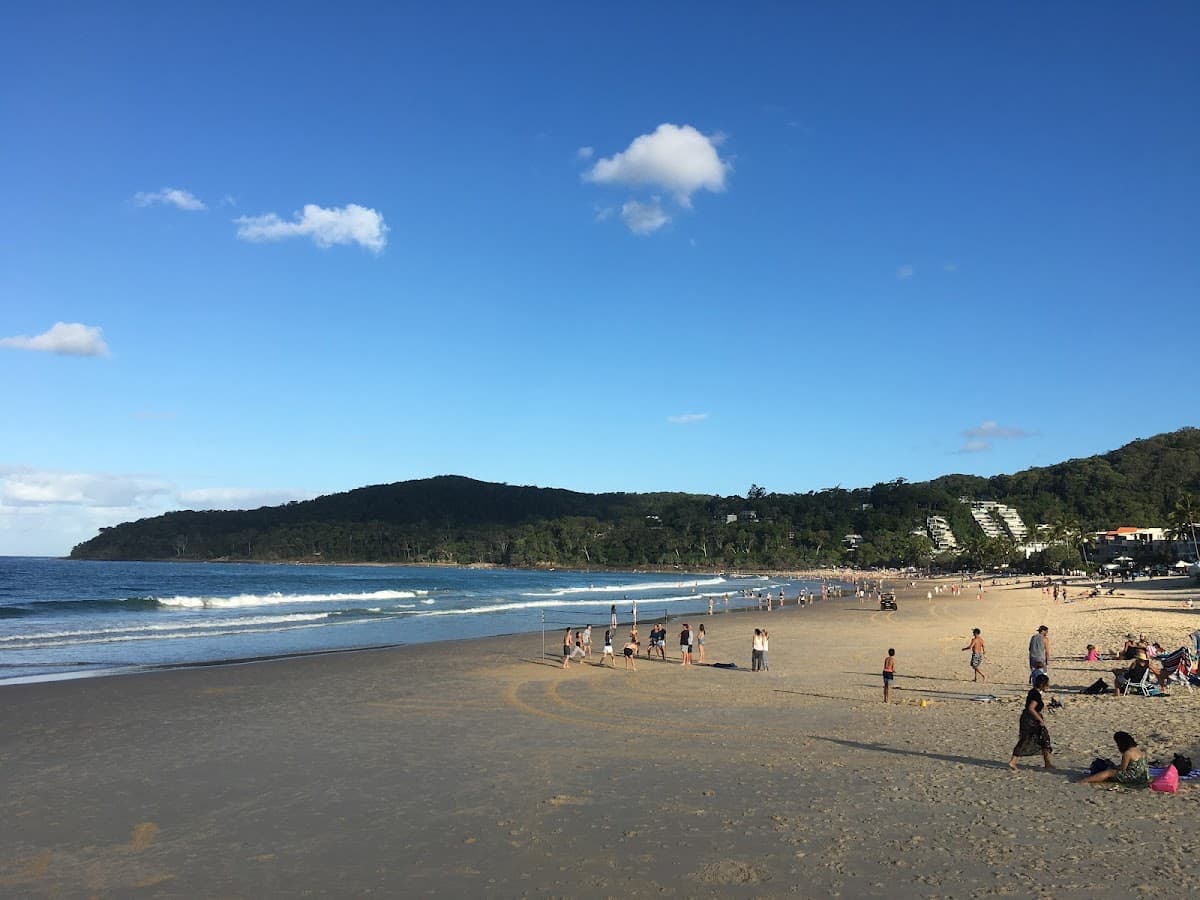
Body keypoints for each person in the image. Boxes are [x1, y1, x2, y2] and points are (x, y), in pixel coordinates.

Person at [1008, 673, 1053, 770]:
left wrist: (1048, 706)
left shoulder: (1033, 692)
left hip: (1026, 718)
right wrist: (1040, 720)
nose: (1048, 687)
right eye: (1047, 685)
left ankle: (1013, 761)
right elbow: (1031, 708)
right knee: (1044, 739)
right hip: (1031, 720)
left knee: (1026, 739)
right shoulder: (1036, 694)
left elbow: (1035, 706)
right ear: (1042, 685)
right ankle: (1047, 763)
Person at [1080, 732, 1150, 787]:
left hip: (1134, 778)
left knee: (1109, 772)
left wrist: (1113, 767)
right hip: (1143, 777)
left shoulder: (1127, 753)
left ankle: (1084, 780)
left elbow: (1123, 768)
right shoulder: (1139, 751)